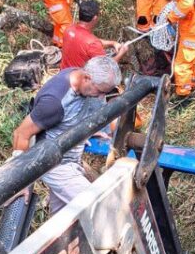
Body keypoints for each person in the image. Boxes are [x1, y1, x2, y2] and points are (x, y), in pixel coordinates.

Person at [11, 55, 122, 214]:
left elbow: (71, 116)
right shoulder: (54, 102)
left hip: (71, 156)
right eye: (100, 91)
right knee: (100, 208)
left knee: (63, 218)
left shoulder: (79, 77)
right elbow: (20, 134)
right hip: (55, 165)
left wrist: (86, 131)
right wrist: (17, 182)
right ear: (87, 77)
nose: (101, 97)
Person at [60, 0, 129, 69]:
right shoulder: (92, 43)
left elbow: (86, 42)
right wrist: (121, 53)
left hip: (63, 74)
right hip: (79, 78)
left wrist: (113, 43)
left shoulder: (69, 29)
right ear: (95, 18)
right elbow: (106, 68)